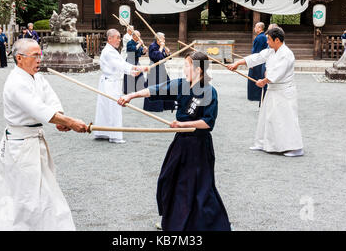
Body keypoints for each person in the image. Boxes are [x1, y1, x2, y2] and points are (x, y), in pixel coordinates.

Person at [118, 51, 231, 231]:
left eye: (187, 65)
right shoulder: (182, 85)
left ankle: (206, 223)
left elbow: (208, 123)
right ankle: (171, 219)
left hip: (199, 145)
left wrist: (183, 124)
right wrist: (131, 96)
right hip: (181, 143)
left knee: (199, 186)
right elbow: (156, 89)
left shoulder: (209, 91)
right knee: (169, 178)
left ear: (198, 70)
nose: (184, 68)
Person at [0, 39, 88, 231]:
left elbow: (50, 98)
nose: (39, 60)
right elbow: (37, 108)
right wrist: (71, 123)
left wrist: (61, 117)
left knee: (45, 191)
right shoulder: (15, 82)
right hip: (21, 145)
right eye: (35, 56)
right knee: (26, 197)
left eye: (40, 55)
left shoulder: (36, 77)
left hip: (34, 140)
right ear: (19, 58)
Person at [227, 27, 304, 157]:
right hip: (273, 90)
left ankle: (295, 147)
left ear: (277, 40)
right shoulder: (271, 51)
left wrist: (264, 81)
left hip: (284, 91)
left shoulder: (286, 54)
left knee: (286, 119)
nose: (267, 42)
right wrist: (238, 63)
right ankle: (264, 143)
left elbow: (278, 73)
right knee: (267, 117)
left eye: (268, 39)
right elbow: (257, 57)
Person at [93, 28, 148, 144]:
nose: (119, 40)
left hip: (110, 82)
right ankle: (114, 135)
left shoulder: (112, 50)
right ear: (110, 38)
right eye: (117, 37)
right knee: (113, 108)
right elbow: (118, 65)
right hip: (110, 83)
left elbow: (123, 63)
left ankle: (103, 132)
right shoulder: (108, 52)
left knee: (107, 107)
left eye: (119, 37)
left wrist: (136, 69)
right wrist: (134, 70)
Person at [143, 32, 175, 112]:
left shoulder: (162, 46)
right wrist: (161, 48)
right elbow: (155, 57)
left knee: (166, 85)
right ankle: (154, 106)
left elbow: (165, 58)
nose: (164, 40)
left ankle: (167, 105)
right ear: (158, 39)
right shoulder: (152, 46)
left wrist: (167, 53)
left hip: (161, 69)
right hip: (154, 70)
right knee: (154, 87)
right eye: (163, 38)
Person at [248, 22, 268, 104]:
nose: (254, 29)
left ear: (260, 28)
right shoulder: (262, 37)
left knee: (256, 79)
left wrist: (252, 62)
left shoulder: (260, 38)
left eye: (255, 27)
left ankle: (257, 96)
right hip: (260, 61)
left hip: (258, 62)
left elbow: (257, 52)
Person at [123, 30, 147, 94]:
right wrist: (139, 44)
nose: (139, 37)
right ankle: (127, 90)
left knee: (139, 74)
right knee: (129, 75)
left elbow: (141, 52)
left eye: (139, 36)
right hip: (130, 60)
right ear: (134, 36)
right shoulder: (129, 43)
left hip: (136, 60)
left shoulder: (137, 43)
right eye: (138, 36)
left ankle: (139, 88)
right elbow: (132, 50)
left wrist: (144, 50)